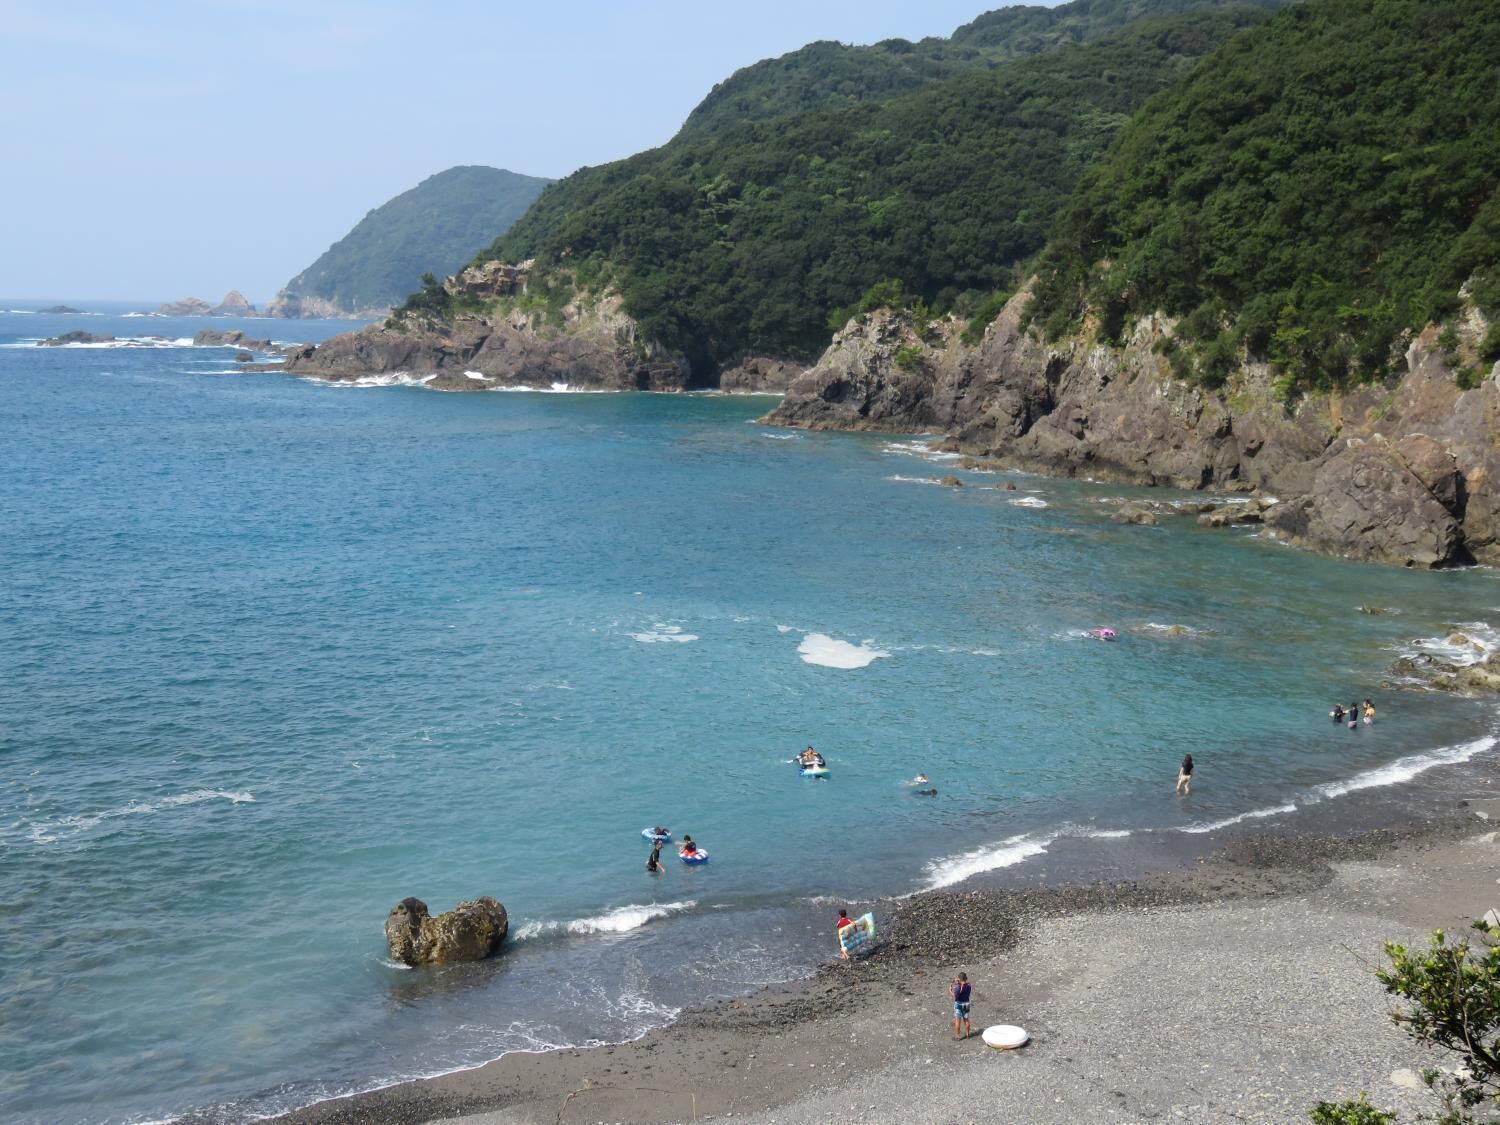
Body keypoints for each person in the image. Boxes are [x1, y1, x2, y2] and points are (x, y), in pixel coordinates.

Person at [951, 973, 972, 1039]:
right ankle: (968, 1034)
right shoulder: (969, 985)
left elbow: (955, 996)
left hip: (959, 1004)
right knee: (966, 1020)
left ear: (960, 979)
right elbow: (964, 984)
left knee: (958, 1021)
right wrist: (958, 981)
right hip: (966, 1004)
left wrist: (950, 991)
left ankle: (957, 1036)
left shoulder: (959, 988)